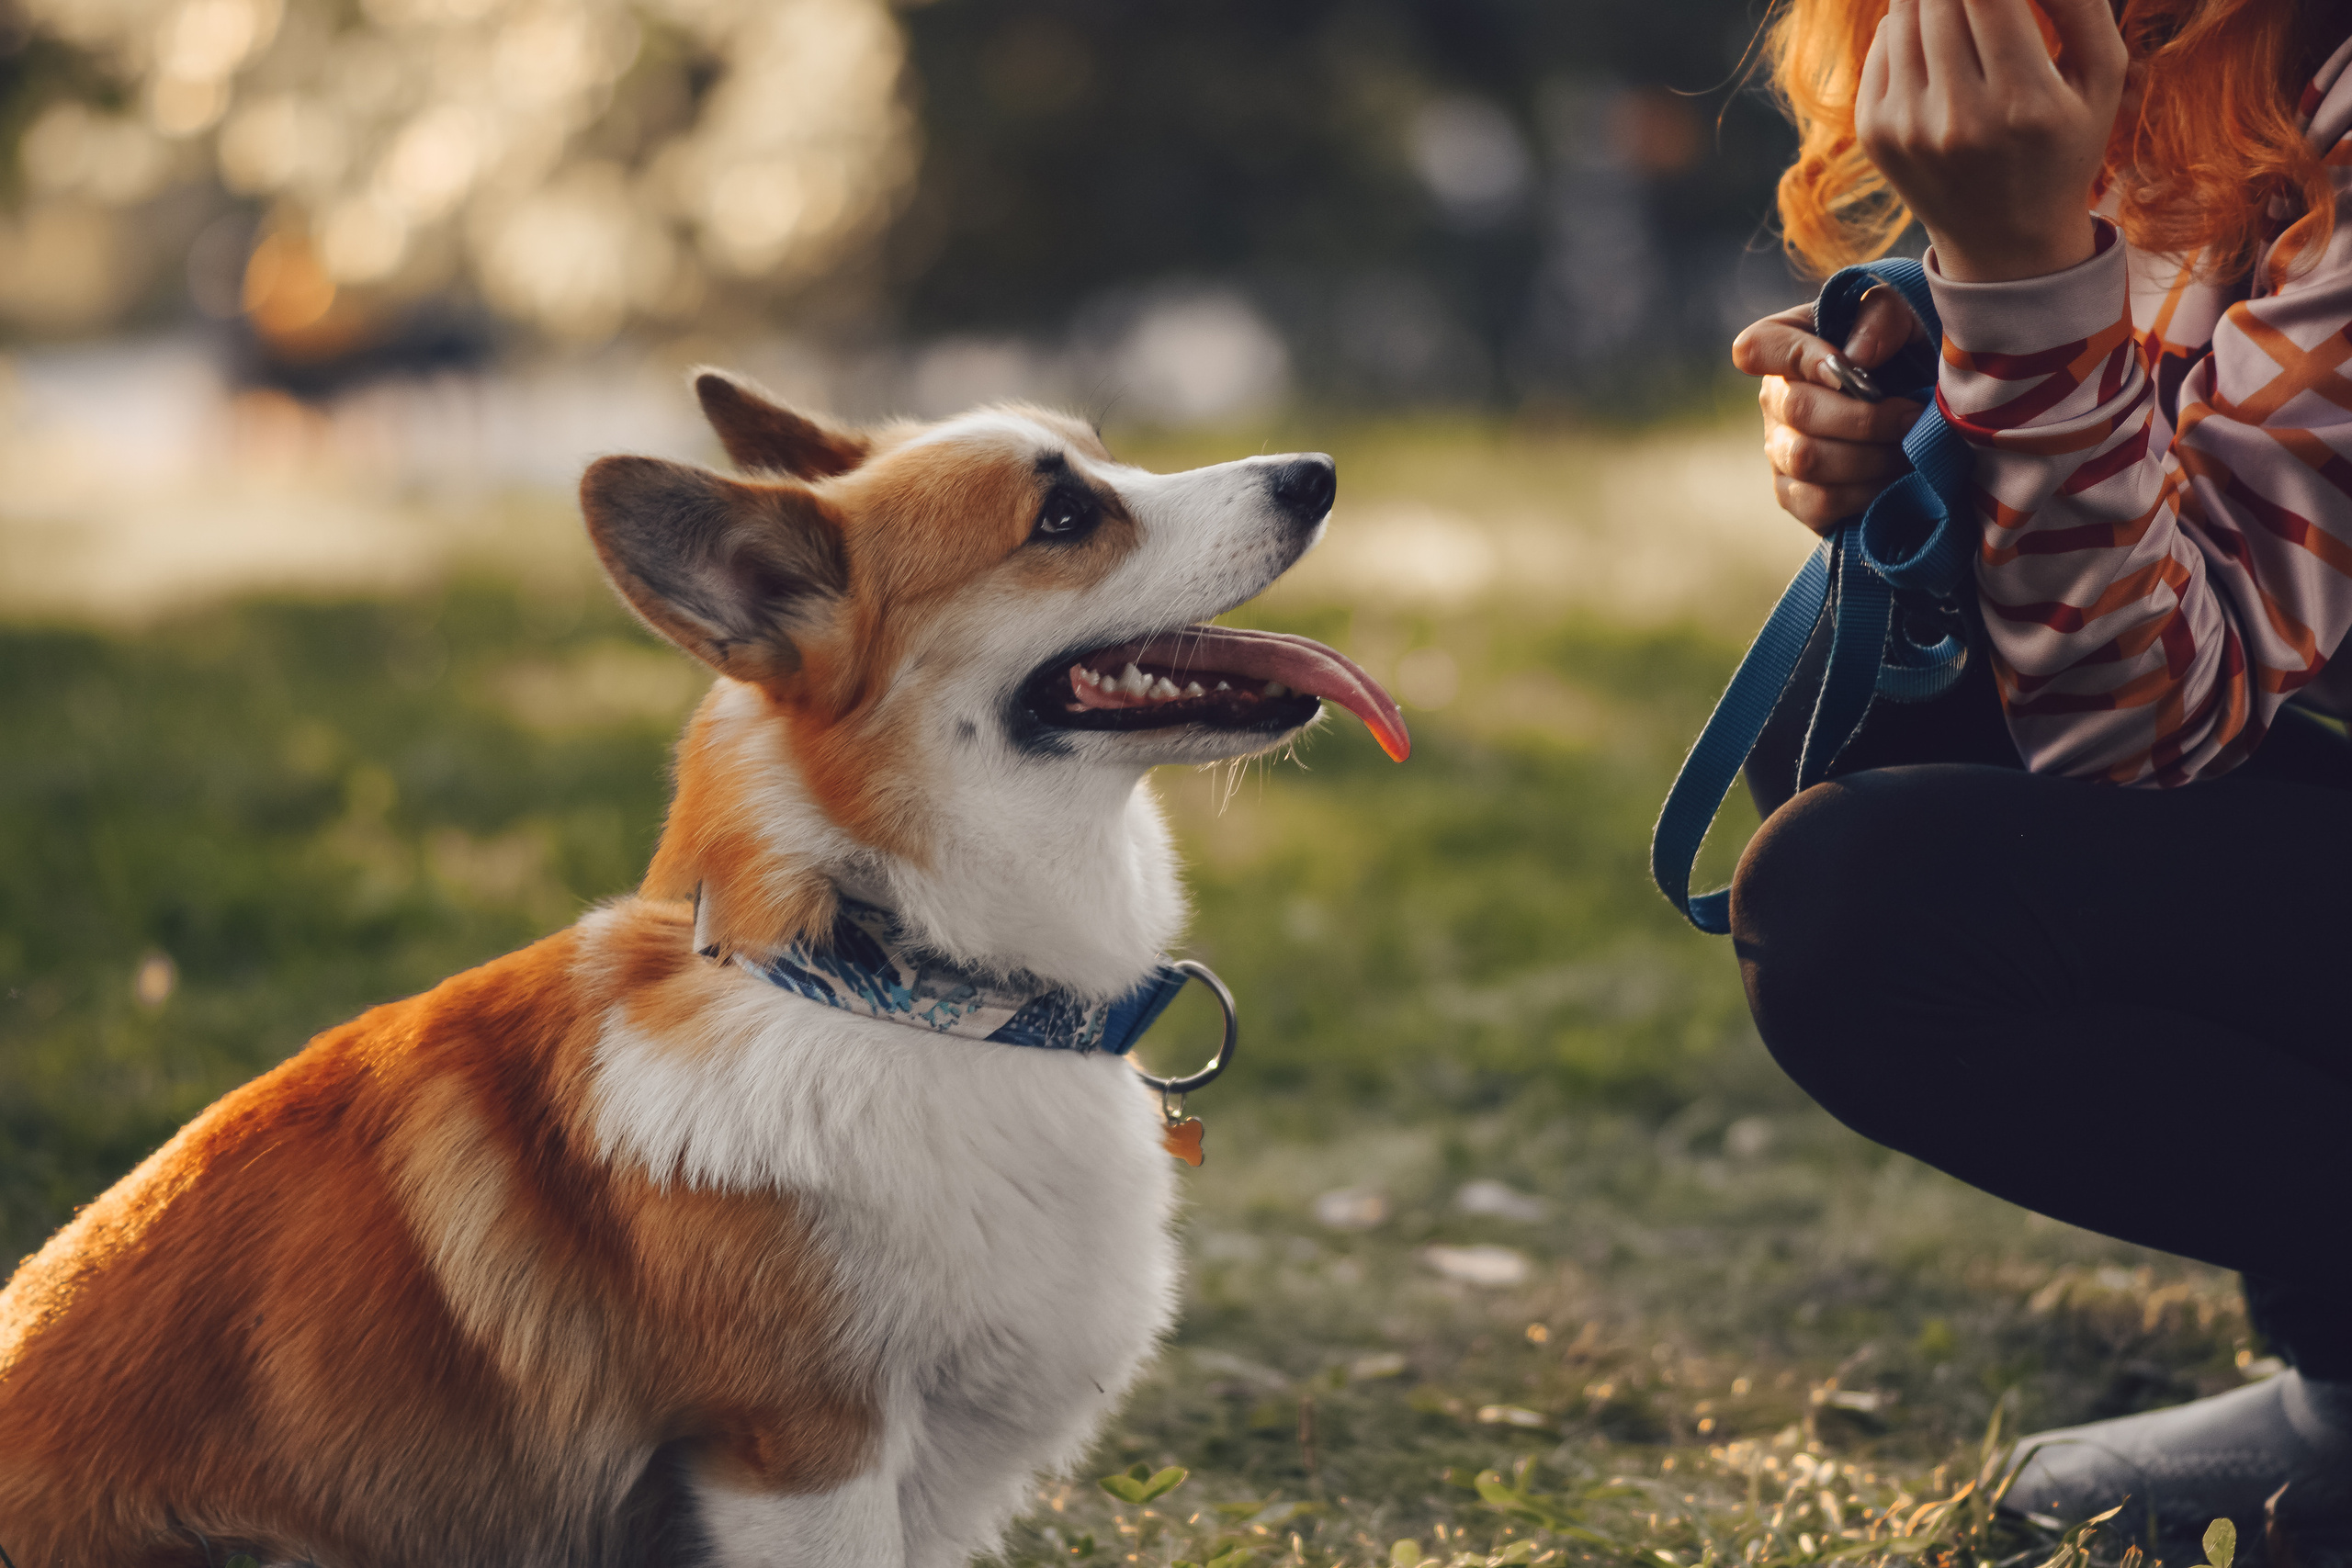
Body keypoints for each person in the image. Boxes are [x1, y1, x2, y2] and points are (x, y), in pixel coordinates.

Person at [1729, 0, 2352, 1551]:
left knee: (1866, 908)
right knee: (1855, 705)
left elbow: (2149, 725)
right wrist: (1941, 396)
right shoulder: (2217, 73)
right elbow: (2211, 565)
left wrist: (2021, 283)